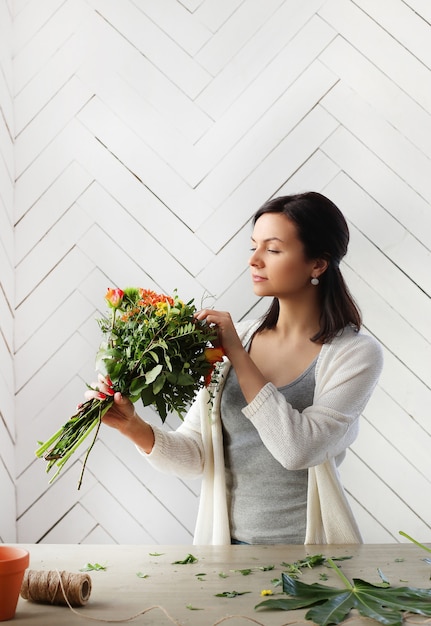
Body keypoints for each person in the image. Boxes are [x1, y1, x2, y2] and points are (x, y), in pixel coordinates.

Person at [87, 192, 383, 545]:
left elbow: (298, 451)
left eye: (272, 250)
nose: (254, 260)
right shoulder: (238, 338)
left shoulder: (354, 355)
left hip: (314, 556)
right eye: (253, 246)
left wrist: (239, 356)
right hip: (228, 551)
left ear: (317, 264)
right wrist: (133, 427)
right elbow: (198, 453)